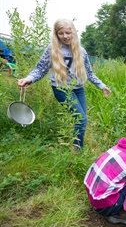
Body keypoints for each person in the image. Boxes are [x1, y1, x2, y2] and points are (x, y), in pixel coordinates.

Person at [17, 18, 111, 149]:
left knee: (83, 120)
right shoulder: (52, 50)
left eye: (68, 32)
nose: (65, 36)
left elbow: (89, 73)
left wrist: (102, 86)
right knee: (81, 120)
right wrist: (29, 78)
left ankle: (78, 148)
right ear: (56, 34)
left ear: (73, 32)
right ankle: (77, 152)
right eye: (61, 33)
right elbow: (40, 69)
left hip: (78, 89)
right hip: (61, 89)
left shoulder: (81, 51)